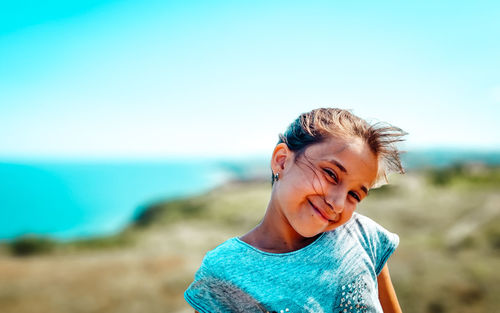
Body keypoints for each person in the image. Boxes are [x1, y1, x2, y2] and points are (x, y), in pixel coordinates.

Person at [184, 108, 406, 313]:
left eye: (354, 195)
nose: (338, 204)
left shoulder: (363, 236)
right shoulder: (225, 271)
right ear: (281, 161)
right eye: (331, 174)